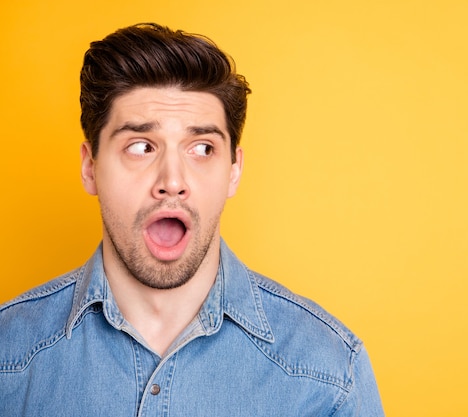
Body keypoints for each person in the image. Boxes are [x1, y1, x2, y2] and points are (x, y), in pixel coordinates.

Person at [0, 23, 384, 416]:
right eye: (141, 146)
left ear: (234, 170)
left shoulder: (330, 375)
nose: (172, 182)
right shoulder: (8, 358)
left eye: (202, 148)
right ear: (90, 167)